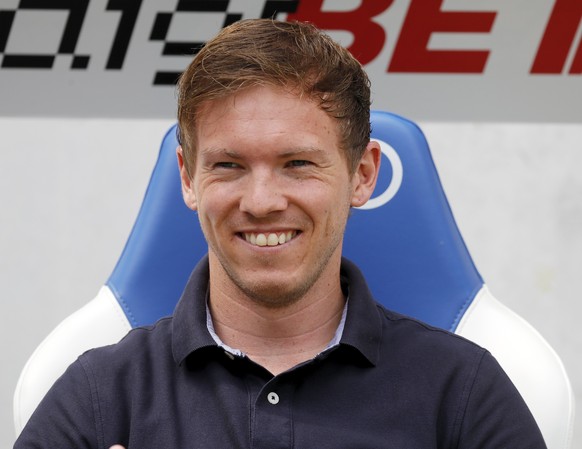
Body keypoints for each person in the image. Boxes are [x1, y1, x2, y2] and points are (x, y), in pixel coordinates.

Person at [15, 19, 546, 448]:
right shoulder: (99, 398)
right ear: (187, 177)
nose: (263, 201)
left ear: (363, 175)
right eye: (228, 165)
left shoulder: (464, 394)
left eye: (297, 163)